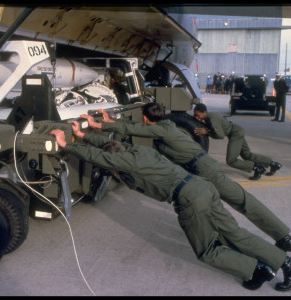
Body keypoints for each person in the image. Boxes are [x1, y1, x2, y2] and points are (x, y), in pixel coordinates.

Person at [50, 123, 291, 291]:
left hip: (189, 199)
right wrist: (82, 135)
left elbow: (100, 157)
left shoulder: (126, 163)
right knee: (234, 233)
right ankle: (284, 262)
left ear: (117, 163)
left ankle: (258, 268)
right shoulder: (136, 150)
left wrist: (65, 145)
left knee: (207, 251)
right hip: (203, 187)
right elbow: (109, 145)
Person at [79, 102, 291, 254]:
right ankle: (231, 241)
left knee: (241, 200)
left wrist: (101, 125)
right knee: (217, 209)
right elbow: (135, 129)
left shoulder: (162, 130)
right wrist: (108, 122)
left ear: (145, 117)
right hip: (196, 171)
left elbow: (133, 128)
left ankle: (283, 236)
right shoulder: (166, 125)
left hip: (204, 169)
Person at [193, 103, 282, 180]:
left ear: (205, 112)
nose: (197, 118)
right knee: (247, 155)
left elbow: (220, 135)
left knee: (231, 160)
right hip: (237, 130)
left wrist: (207, 132)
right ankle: (273, 164)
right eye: (195, 115)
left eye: (199, 115)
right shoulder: (208, 117)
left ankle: (257, 168)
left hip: (235, 134)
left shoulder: (212, 119)